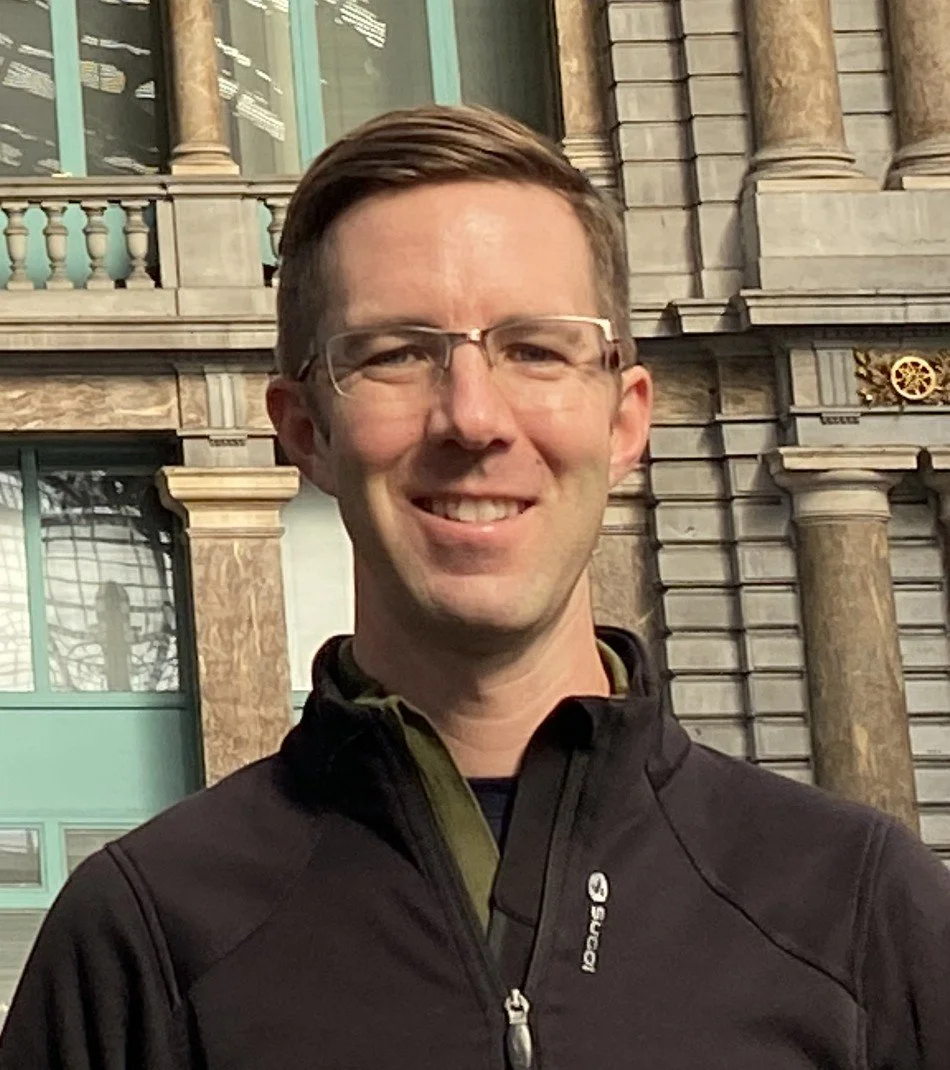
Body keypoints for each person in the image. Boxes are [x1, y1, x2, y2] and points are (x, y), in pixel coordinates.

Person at [2, 105, 949, 1070]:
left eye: (536, 348)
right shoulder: (141, 939)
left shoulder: (860, 912)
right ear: (303, 432)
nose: (473, 417)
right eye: (397, 354)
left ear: (626, 422)